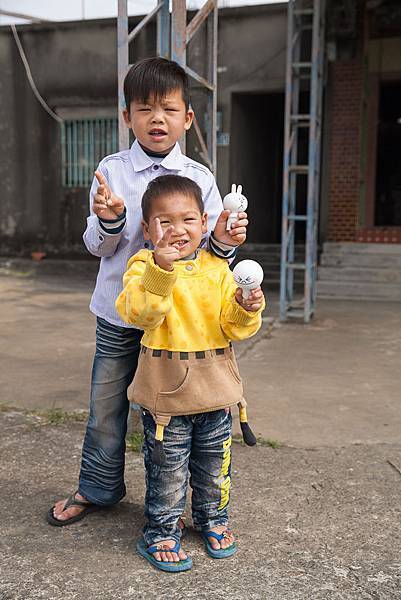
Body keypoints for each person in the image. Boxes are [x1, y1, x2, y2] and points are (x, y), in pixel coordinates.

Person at [47, 57, 248, 527]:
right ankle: (98, 488)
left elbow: (211, 254)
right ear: (127, 117)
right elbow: (98, 246)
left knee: (176, 415)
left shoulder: (200, 179)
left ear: (187, 118)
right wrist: (110, 219)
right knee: (106, 406)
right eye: (145, 109)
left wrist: (227, 238)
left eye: (169, 109)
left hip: (179, 323)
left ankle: (171, 503)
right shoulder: (110, 171)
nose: (157, 119)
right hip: (120, 315)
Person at [115, 174, 265, 572]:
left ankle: (212, 519)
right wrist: (162, 271)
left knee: (215, 466)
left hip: (216, 391)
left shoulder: (218, 268)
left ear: (204, 222)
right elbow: (140, 314)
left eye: (188, 220)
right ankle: (161, 531)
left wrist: (247, 307)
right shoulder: (143, 266)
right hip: (166, 399)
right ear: (148, 229)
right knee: (167, 471)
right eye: (164, 222)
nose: (177, 231)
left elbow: (233, 328)